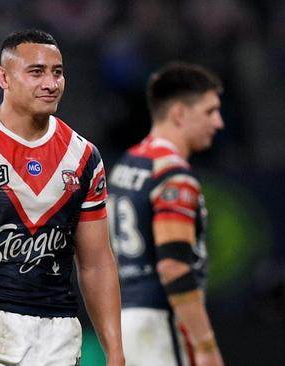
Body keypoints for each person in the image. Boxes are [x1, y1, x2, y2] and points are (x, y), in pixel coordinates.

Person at [0, 30, 124, 366]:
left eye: (57, 72)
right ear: (3, 77)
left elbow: (97, 262)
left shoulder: (83, 157)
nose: (51, 83)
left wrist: (115, 351)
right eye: (36, 72)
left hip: (57, 334)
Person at [107, 62, 225, 366]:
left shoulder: (126, 164)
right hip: (161, 322)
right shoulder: (173, 176)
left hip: (126, 319)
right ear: (179, 114)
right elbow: (173, 266)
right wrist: (206, 344)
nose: (219, 123)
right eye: (210, 111)